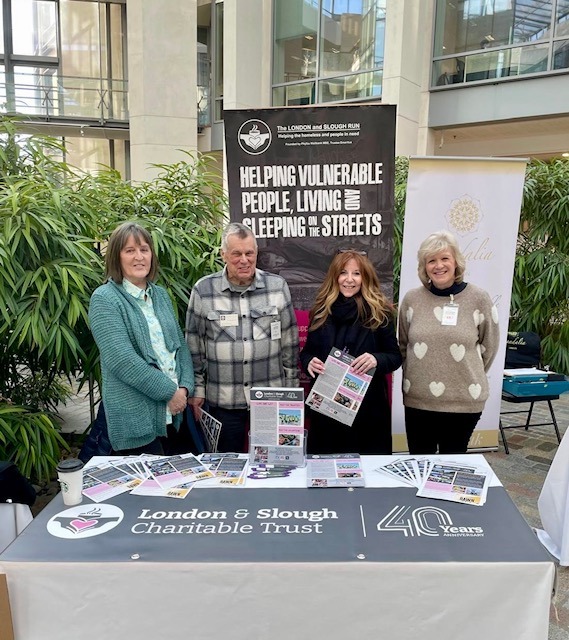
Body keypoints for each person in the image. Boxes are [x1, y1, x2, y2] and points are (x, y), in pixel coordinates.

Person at [185, 222, 299, 452]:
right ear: (223, 254)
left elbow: (289, 342)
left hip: (270, 397)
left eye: (249, 253)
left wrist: (291, 390)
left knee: (275, 467)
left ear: (256, 254)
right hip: (224, 401)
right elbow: (194, 345)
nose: (244, 260)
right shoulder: (203, 291)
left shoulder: (277, 288)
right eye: (236, 254)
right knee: (227, 472)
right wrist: (197, 390)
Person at [89, 222, 194, 455]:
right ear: (116, 257)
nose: (139, 257)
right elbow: (122, 360)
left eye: (144, 249)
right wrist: (171, 393)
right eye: (129, 250)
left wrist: (185, 388)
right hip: (136, 419)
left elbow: (180, 346)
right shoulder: (105, 299)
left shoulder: (160, 295)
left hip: (174, 413)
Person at [398, 230, 500, 454]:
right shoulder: (411, 300)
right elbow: (404, 346)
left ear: (456, 262)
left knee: (451, 469)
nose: (438, 265)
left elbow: (488, 348)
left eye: (445, 258)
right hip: (418, 401)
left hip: (463, 401)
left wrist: (461, 374)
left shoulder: (479, 299)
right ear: (424, 267)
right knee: (419, 464)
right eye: (431, 260)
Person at [300, 250, 402, 454]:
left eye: (356, 273)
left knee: (369, 473)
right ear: (335, 277)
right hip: (326, 409)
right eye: (343, 273)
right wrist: (310, 362)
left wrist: (376, 359)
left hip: (367, 411)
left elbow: (395, 356)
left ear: (365, 278)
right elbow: (307, 353)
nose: (349, 279)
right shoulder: (321, 312)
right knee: (326, 471)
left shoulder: (380, 312)